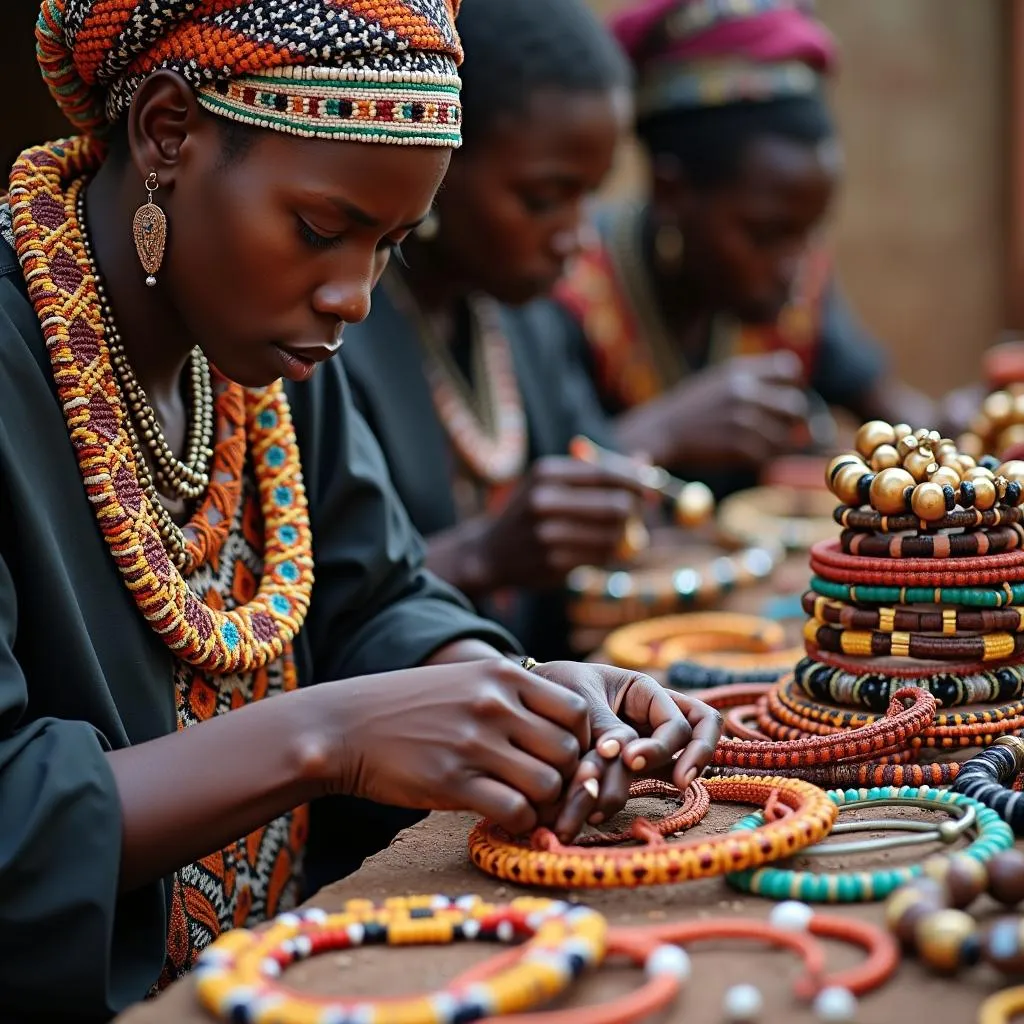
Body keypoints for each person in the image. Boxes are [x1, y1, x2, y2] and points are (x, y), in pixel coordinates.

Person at [0, 2, 722, 1019]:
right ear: (167, 131)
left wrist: (514, 696)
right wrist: (326, 734)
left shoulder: (261, 350)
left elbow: (374, 597)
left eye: (389, 245)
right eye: (321, 229)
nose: (354, 295)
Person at [551, 0, 971, 497]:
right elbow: (539, 486)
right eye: (765, 233)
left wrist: (956, 431)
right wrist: (665, 430)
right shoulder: (568, 283)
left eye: (809, 231)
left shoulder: (796, 284)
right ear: (670, 193)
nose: (794, 264)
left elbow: (890, 409)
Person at [341, 0, 643, 663]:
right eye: (542, 199)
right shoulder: (332, 334)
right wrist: (482, 553)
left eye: (587, 195)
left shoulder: (526, 317)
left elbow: (588, 460)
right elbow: (319, 616)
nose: (576, 235)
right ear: (439, 161)